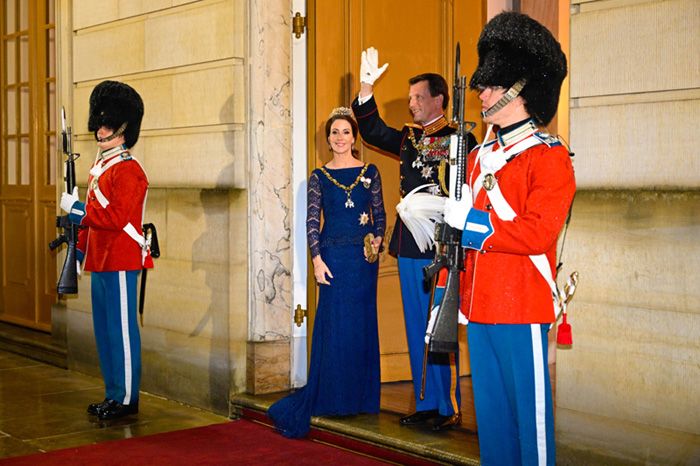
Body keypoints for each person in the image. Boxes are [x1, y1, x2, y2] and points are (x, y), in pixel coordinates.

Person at [442, 12, 575, 465]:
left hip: (521, 306)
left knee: (530, 426)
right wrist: (447, 292)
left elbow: (538, 232)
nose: (482, 92)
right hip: (478, 307)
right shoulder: (479, 156)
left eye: (492, 85)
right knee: (494, 427)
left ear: (517, 91)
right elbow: (457, 240)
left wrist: (473, 224)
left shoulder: (549, 157)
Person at [351, 48, 476, 431]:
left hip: (442, 240)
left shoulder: (462, 139)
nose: (411, 104)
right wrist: (366, 88)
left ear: (439, 99)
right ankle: (425, 402)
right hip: (409, 243)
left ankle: (446, 406)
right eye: (409, 99)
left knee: (437, 324)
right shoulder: (407, 138)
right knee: (413, 322)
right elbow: (372, 131)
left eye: (418, 97)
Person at [268, 107, 386, 438]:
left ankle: (361, 399)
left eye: (345, 131)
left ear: (354, 136)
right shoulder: (319, 177)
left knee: (361, 326)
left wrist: (376, 242)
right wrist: (317, 260)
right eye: (334, 132)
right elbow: (311, 223)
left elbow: (380, 215)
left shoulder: (370, 172)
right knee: (335, 327)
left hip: (363, 263)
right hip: (333, 259)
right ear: (328, 138)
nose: (339, 138)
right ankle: (333, 397)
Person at [60, 80, 153, 421]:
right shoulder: (101, 168)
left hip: (122, 258)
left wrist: (76, 209)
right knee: (105, 330)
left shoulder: (129, 170)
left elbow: (115, 218)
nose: (100, 129)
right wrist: (80, 253)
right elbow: (93, 223)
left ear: (124, 129)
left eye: (107, 124)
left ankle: (127, 398)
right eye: (100, 123)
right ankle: (113, 393)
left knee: (122, 332)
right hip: (101, 259)